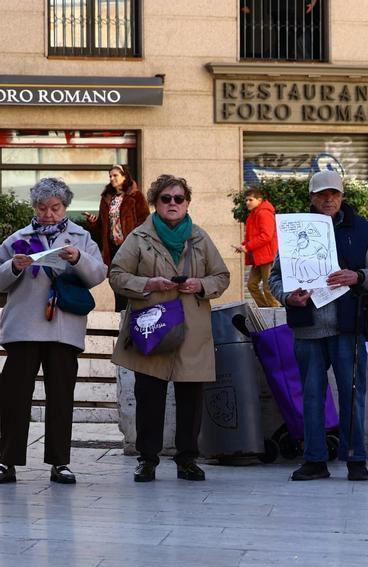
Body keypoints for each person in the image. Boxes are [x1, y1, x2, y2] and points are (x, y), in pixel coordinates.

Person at [109, 175, 231, 483]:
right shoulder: (139, 237)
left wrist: (200, 284)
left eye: (179, 198)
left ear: (188, 202)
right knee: (149, 397)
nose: (173, 203)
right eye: (166, 198)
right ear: (155, 203)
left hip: (191, 330)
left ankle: (187, 459)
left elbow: (222, 277)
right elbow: (117, 275)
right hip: (152, 329)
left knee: (191, 399)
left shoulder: (201, 238)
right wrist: (146, 284)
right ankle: (147, 459)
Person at [270, 170, 368, 482]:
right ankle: (315, 460)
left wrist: (357, 277)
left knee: (352, 394)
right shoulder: (295, 230)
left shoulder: (361, 229)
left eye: (333, 193)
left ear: (342, 196)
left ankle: (355, 459)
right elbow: (275, 278)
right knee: (310, 396)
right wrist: (287, 297)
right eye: (321, 194)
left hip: (348, 328)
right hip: (308, 328)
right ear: (311, 198)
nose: (328, 199)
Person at [0, 178, 107, 485]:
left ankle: (59, 462)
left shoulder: (80, 237)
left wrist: (78, 258)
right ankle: (7, 461)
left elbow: (99, 274)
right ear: (35, 207)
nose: (48, 214)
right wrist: (14, 268)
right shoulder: (18, 238)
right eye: (42, 207)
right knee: (13, 397)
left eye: (55, 208)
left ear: (65, 207)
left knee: (61, 397)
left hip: (63, 329)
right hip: (23, 328)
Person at [83, 164, 149, 311]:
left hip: (130, 246)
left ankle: (134, 312)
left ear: (124, 177)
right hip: (113, 247)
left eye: (115, 175)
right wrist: (93, 222)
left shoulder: (135, 196)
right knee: (117, 281)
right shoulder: (107, 198)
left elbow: (145, 220)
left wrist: (136, 239)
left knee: (131, 280)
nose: (112, 179)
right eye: (110, 176)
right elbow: (102, 225)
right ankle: (120, 313)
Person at [235, 187, 279, 308]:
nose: (247, 202)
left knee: (268, 287)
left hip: (267, 256)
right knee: (251, 285)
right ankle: (267, 309)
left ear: (259, 200)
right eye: (246, 200)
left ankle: (276, 311)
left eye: (250, 200)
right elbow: (252, 236)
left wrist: (247, 247)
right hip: (258, 257)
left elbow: (266, 236)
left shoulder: (264, 213)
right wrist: (243, 246)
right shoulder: (253, 215)